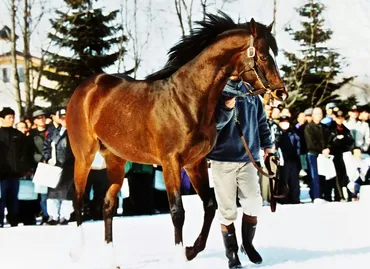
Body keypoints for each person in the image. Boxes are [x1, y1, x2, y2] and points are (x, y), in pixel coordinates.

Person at [207, 78, 274, 269]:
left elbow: (261, 121)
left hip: (249, 158)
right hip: (222, 157)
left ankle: (248, 244)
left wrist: (268, 145)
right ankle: (232, 253)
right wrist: (226, 109)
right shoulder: (216, 89)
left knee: (253, 203)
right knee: (227, 210)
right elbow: (212, 125)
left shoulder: (251, 91)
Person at [0, 107, 32, 227]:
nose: (12, 120)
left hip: (15, 174)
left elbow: (26, 153)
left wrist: (23, 168)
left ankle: (13, 219)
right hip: (1, 174)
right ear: (2, 119)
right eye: (9, 117)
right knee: (1, 198)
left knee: (13, 198)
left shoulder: (18, 135)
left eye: (13, 117)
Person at [42, 108, 74, 225]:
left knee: (67, 193)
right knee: (52, 193)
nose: (65, 120)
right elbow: (46, 146)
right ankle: (53, 216)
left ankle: (65, 216)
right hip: (54, 166)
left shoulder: (75, 132)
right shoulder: (52, 133)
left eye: (67, 117)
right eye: (62, 118)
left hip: (69, 166)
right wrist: (46, 158)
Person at [304, 107, 331, 203]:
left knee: (325, 175)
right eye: (316, 114)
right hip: (313, 154)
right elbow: (310, 142)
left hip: (324, 155)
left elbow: (329, 140)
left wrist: (328, 148)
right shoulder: (308, 127)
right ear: (312, 115)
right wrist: (321, 150)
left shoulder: (325, 127)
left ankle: (325, 195)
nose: (319, 116)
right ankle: (316, 195)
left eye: (320, 114)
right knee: (314, 175)